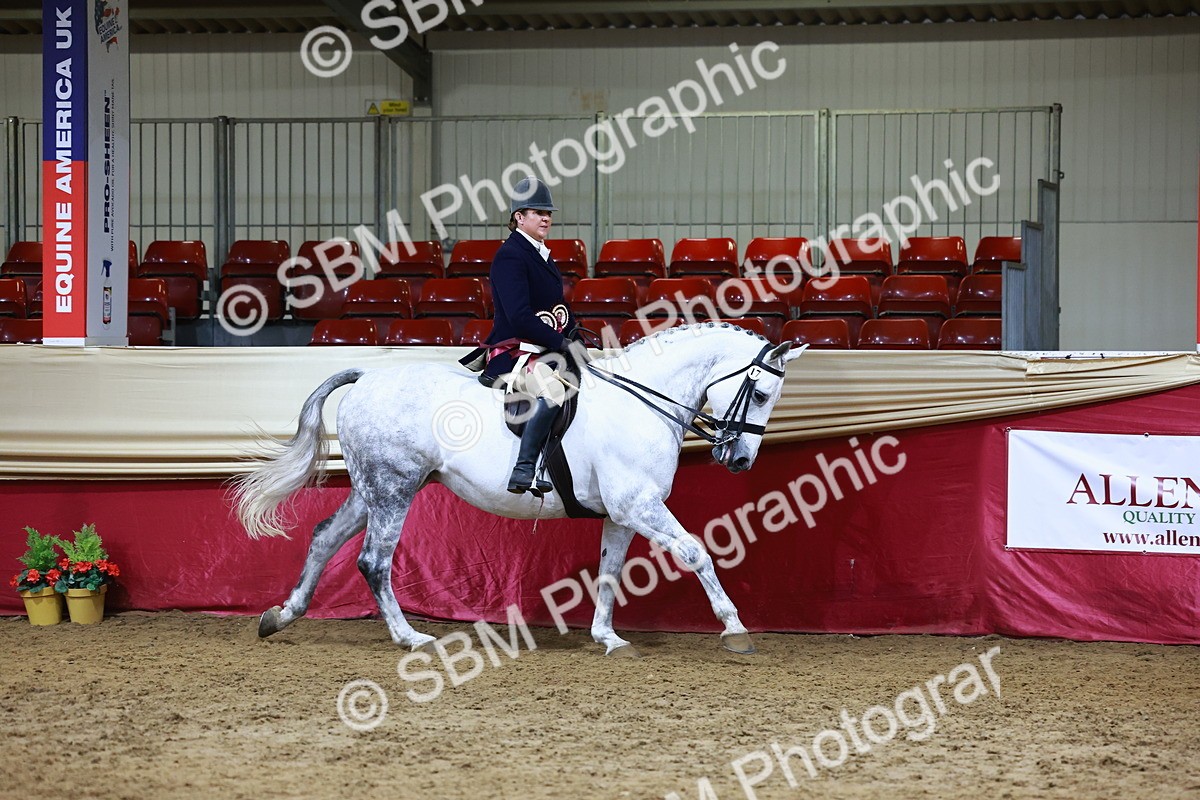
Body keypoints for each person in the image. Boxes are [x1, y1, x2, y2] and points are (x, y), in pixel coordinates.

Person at [473, 176, 579, 496]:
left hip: (542, 348)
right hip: (514, 351)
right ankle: (525, 467)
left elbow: (556, 307)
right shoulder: (511, 256)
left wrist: (575, 336)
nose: (546, 217)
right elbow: (519, 317)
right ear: (519, 217)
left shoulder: (541, 253)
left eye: (548, 213)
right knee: (552, 390)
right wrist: (560, 342)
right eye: (537, 212)